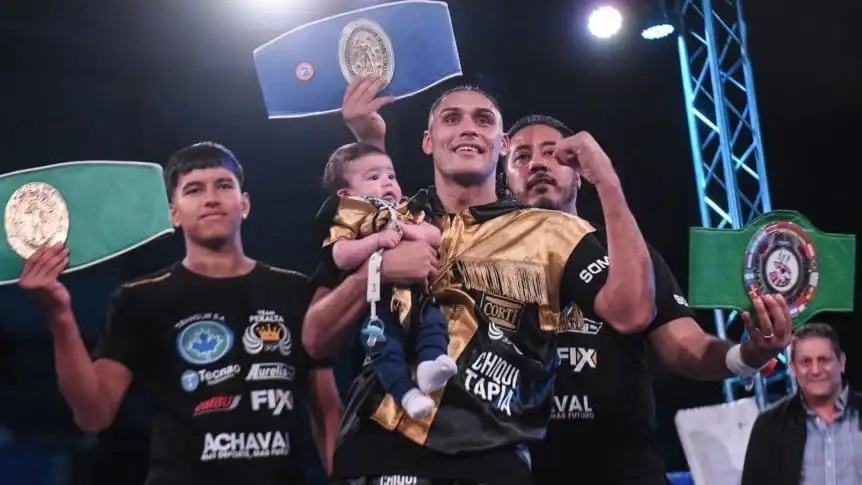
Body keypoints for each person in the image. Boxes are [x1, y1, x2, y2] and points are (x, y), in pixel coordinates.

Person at [303, 76, 657, 485]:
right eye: (452, 119)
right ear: (428, 141)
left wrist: (607, 182)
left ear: (502, 144)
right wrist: (375, 270)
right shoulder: (388, 220)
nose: (468, 128)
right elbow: (315, 339)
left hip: (491, 457)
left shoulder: (553, 231)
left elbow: (633, 313)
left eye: (483, 120)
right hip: (376, 451)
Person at [18, 142, 342, 485]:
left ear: (244, 204)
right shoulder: (139, 299)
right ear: (174, 213)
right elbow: (93, 415)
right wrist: (60, 317)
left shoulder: (295, 291)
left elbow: (327, 410)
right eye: (194, 189)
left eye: (224, 185)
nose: (211, 198)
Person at [502, 114, 794, 484]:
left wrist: (746, 355)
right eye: (521, 157)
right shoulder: (483, 261)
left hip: (626, 471)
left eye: (552, 153)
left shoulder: (628, 254)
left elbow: (684, 346)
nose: (537, 164)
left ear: (578, 173)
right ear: (506, 179)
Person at [316, 142, 456, 420]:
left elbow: (436, 236)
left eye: (391, 175)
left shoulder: (406, 211)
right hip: (376, 304)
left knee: (434, 323)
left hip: (416, 294)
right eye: (374, 177)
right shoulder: (350, 216)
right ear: (346, 194)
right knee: (384, 348)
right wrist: (376, 240)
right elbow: (341, 255)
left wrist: (404, 228)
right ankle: (407, 395)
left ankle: (430, 366)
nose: (388, 182)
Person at [742, 322, 861, 484]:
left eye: (823, 360)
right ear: (793, 369)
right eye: (806, 362)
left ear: (841, 362)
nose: (815, 370)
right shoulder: (770, 424)